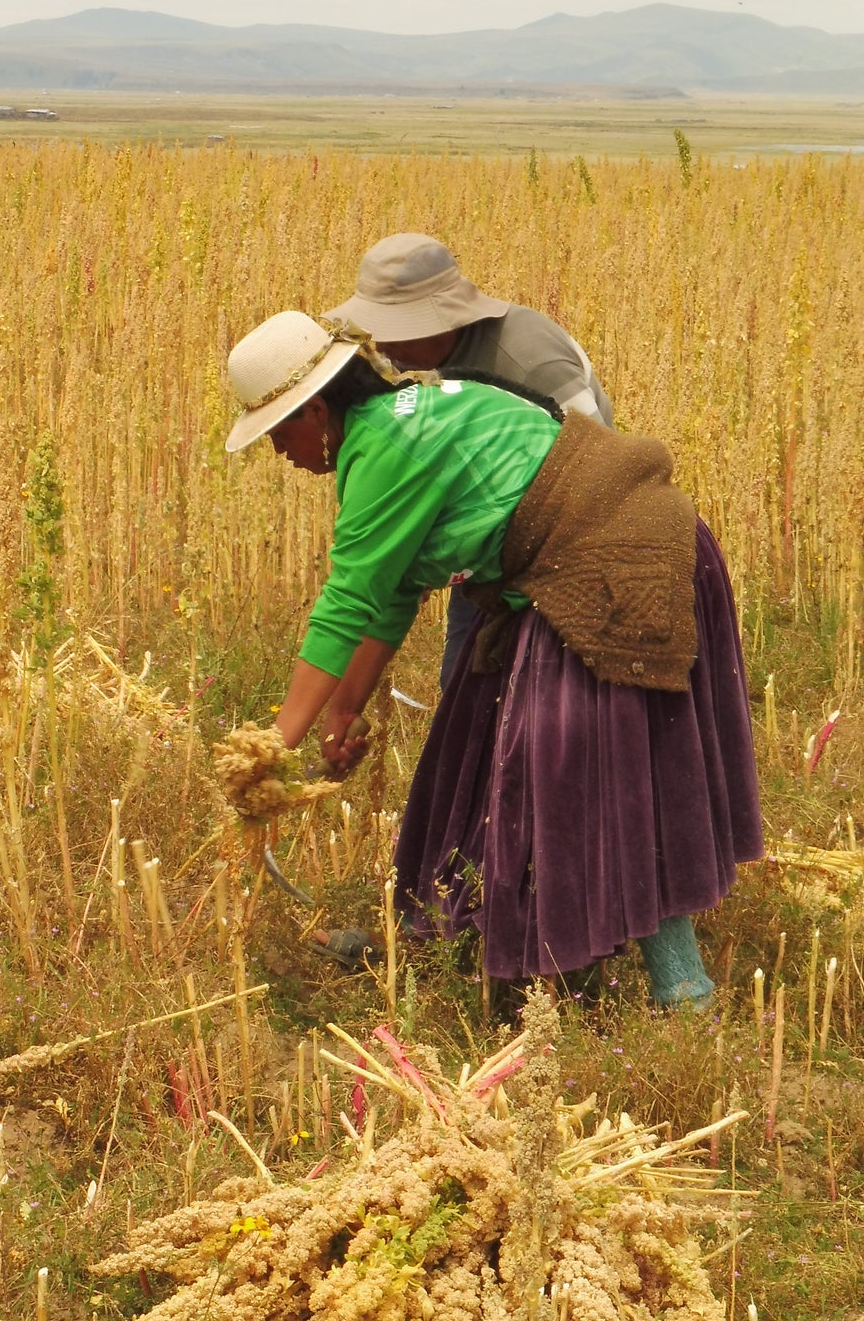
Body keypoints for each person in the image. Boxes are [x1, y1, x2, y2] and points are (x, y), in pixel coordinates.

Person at [222, 309, 762, 1006]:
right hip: (582, 563)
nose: (278, 452)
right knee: (472, 752)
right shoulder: (396, 421)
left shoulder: (385, 442)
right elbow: (388, 599)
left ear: (316, 409)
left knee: (598, 779)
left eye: (277, 432)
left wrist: (270, 750)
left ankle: (681, 991)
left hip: (613, 566)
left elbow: (346, 601)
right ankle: (443, 943)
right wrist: (343, 710)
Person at [327, 233, 613, 687]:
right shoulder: (416, 362)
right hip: (485, 546)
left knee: (545, 696)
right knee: (465, 687)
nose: (385, 346)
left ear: (442, 319)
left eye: (399, 329)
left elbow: (599, 470)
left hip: (566, 548)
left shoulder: (529, 358)